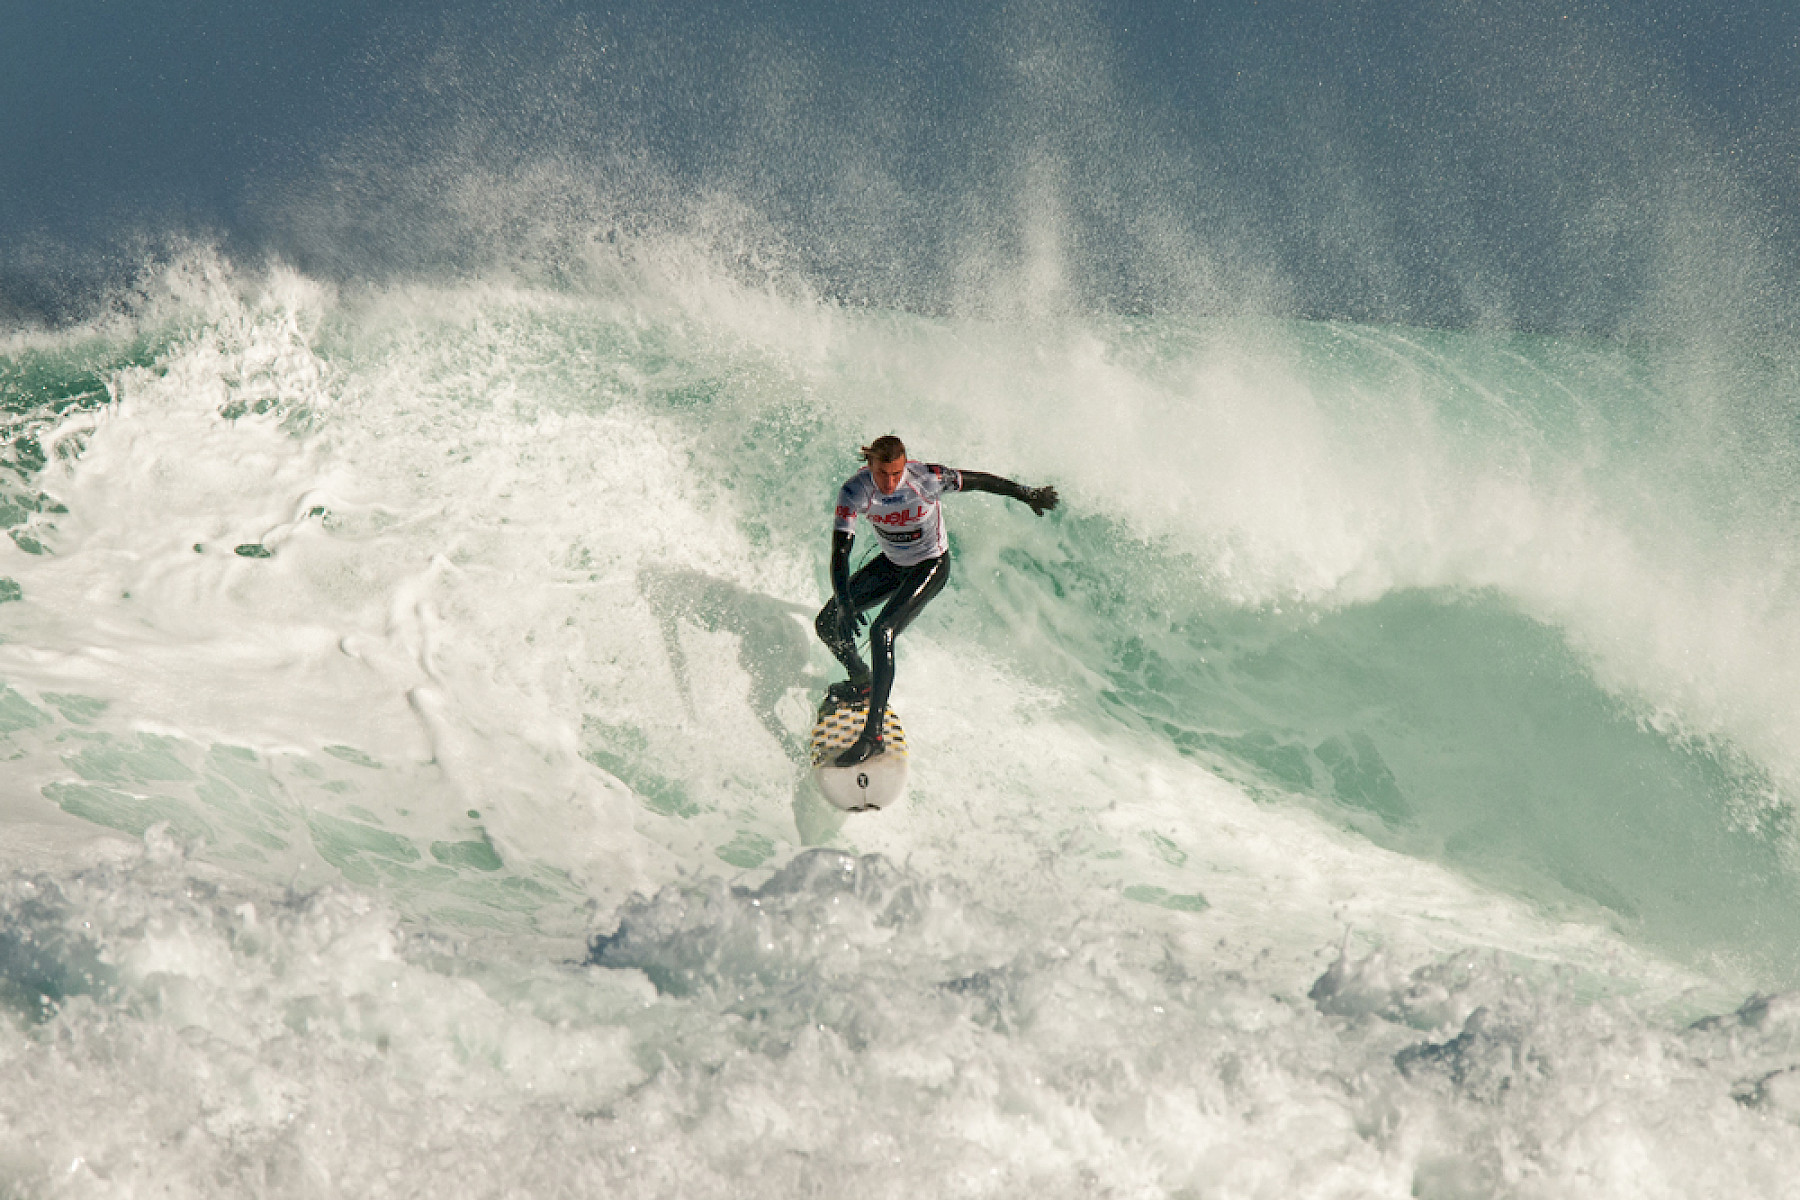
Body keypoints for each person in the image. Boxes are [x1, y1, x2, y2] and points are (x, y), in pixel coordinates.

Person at [814, 434, 1059, 767]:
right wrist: (843, 602)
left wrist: (1027, 494)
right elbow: (840, 552)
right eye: (882, 473)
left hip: (930, 564)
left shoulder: (927, 479)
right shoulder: (854, 492)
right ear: (870, 464)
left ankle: (873, 736)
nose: (889, 482)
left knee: (881, 631)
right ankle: (862, 682)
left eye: (895, 474)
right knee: (827, 623)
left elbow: (978, 482)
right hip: (891, 563)